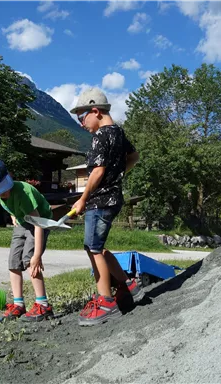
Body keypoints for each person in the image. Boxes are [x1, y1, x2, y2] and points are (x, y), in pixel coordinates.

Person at [69, 87, 144, 326]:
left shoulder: (101, 135)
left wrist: (82, 198)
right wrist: (118, 176)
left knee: (93, 248)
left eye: (81, 117)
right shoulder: (118, 133)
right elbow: (134, 157)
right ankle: (127, 284)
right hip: (113, 198)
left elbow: (98, 170)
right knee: (98, 248)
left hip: (100, 201)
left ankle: (105, 301)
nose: (81, 123)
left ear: (95, 111)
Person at [0, 159, 54, 322]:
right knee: (13, 262)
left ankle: (43, 305)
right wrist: (14, 215)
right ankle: (18, 305)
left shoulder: (23, 192)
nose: (3, 193)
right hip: (22, 221)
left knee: (29, 260)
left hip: (40, 221)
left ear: (9, 177)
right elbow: (9, 205)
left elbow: (39, 224)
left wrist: (37, 255)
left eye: (5, 188)